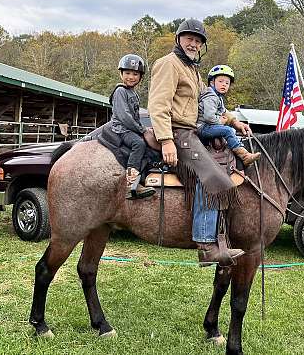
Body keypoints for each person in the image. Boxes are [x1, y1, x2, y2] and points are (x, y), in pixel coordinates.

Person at [148, 18, 249, 266]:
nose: (193, 44)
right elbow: (158, 105)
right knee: (211, 177)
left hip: (191, 131)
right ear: (179, 40)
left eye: (197, 41)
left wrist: (234, 122)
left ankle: (221, 236)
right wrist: (166, 140)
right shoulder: (168, 64)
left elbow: (210, 98)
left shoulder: (192, 70)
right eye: (189, 39)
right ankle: (206, 247)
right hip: (177, 133)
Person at [109, 54, 156, 200]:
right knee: (139, 143)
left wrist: (147, 129)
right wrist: (142, 130)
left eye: (135, 74)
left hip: (130, 127)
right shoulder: (120, 91)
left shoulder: (133, 93)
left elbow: (136, 117)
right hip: (121, 129)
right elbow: (125, 117)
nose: (131, 77)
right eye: (127, 73)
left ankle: (142, 178)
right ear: (121, 73)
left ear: (140, 77)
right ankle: (130, 184)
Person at [197, 65, 260, 166]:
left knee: (230, 130)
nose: (224, 85)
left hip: (209, 125)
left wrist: (235, 122)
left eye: (227, 83)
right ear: (212, 82)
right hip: (203, 127)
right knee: (228, 130)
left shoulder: (218, 97)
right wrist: (220, 121)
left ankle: (239, 150)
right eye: (220, 81)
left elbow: (223, 111)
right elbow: (208, 116)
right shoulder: (210, 96)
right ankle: (244, 155)